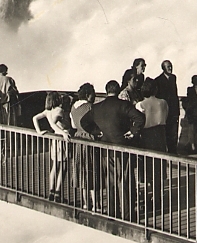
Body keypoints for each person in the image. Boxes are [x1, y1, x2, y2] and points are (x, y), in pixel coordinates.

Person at [80, 80, 145, 220]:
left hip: (106, 149)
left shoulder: (97, 107)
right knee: (125, 182)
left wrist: (98, 132)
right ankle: (127, 215)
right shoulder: (123, 105)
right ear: (117, 90)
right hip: (122, 147)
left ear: (106, 90)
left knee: (110, 182)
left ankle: (112, 212)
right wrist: (133, 132)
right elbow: (140, 117)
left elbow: (83, 122)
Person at [32, 91, 72, 202]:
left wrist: (39, 131)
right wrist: (63, 133)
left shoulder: (47, 111)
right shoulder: (59, 110)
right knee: (63, 167)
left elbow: (34, 118)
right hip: (62, 139)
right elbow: (53, 123)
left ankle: (51, 191)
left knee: (55, 166)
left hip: (55, 139)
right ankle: (58, 193)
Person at [71, 83, 101, 211]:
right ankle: (96, 205)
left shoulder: (73, 107)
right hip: (90, 138)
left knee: (82, 171)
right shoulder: (90, 107)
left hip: (78, 139)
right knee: (93, 170)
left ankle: (85, 203)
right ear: (88, 95)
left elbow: (73, 125)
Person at [154, 60, 180, 153]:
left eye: (171, 66)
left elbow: (175, 94)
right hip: (163, 111)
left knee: (173, 132)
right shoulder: (158, 80)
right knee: (165, 132)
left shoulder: (173, 78)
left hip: (173, 111)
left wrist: (177, 111)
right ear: (163, 68)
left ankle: (173, 152)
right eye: (168, 66)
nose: (170, 68)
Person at [137, 78, 168, 152]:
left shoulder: (141, 104)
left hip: (147, 134)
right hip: (161, 133)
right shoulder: (163, 102)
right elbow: (166, 116)